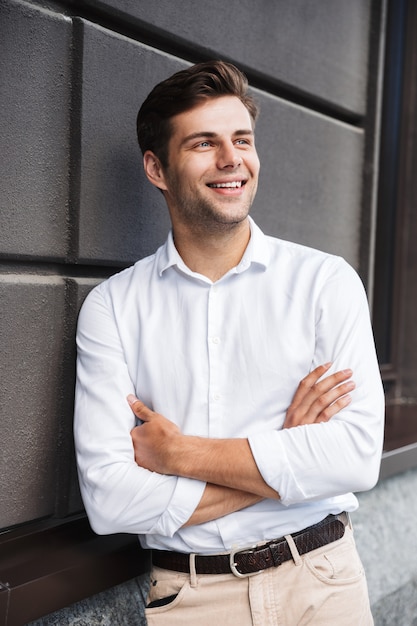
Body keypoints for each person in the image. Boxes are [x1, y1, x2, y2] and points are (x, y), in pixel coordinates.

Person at [74, 60, 384, 625]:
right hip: (190, 600)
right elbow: (110, 499)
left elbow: (356, 456)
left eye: (242, 139)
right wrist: (286, 449)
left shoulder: (325, 282)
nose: (231, 159)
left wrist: (181, 454)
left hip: (321, 584)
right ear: (156, 168)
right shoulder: (113, 308)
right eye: (203, 143)